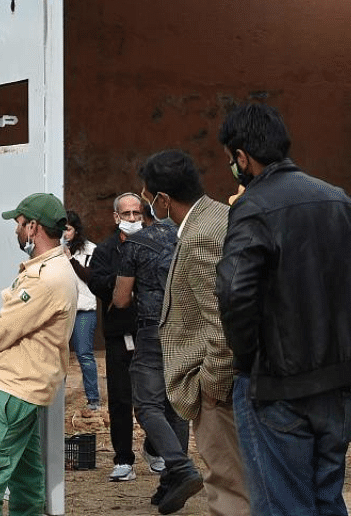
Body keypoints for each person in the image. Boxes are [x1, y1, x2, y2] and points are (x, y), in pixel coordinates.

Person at [216, 103, 351, 516]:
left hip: (278, 385)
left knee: (284, 505)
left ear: (242, 156)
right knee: (326, 500)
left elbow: (235, 291)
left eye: (232, 158)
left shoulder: (253, 206)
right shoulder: (335, 198)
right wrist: (349, 329)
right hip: (337, 386)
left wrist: (250, 357)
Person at [139, 150, 249, 516]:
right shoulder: (220, 214)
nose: (146, 204)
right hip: (237, 380)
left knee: (229, 485)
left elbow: (221, 320)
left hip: (219, 387)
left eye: (147, 196)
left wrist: (212, 388)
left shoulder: (200, 235)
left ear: (164, 199)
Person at [0, 193, 76, 516]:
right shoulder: (54, 269)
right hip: (28, 386)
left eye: (19, 224)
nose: (16, 231)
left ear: (33, 227)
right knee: (26, 474)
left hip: (14, 387)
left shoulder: (46, 278)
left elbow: (9, 323)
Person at [113, 193, 202, 514]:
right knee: (175, 405)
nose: (132, 218)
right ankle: (170, 480)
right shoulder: (183, 235)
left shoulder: (134, 246)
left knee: (147, 405)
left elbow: (121, 299)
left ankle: (179, 466)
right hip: (187, 329)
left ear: (144, 212)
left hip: (153, 330)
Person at [87, 193, 160, 482]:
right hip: (119, 333)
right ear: (116, 217)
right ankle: (123, 459)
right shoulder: (105, 250)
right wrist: (125, 283)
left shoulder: (154, 243)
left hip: (151, 331)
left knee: (155, 396)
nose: (132, 219)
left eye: (137, 213)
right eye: (126, 214)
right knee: (120, 398)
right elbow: (98, 282)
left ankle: (155, 450)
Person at [63, 211, 100, 412]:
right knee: (59, 355)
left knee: (84, 354)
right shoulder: (54, 250)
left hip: (84, 309)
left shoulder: (91, 249)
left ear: (76, 230)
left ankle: (93, 399)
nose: (64, 233)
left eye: (67, 229)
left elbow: (90, 277)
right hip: (62, 310)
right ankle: (56, 400)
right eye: (61, 229)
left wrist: (70, 260)